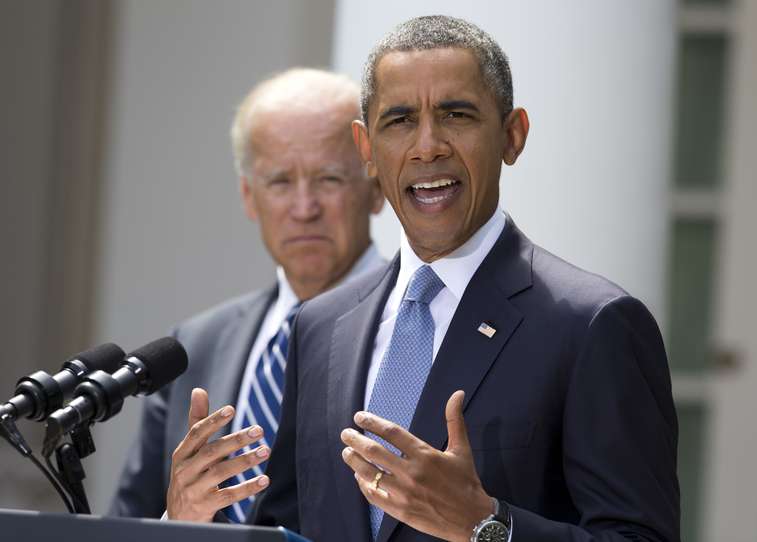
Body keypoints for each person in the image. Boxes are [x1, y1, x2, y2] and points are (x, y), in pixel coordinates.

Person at [169, 16, 680, 542]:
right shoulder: (320, 326)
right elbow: (288, 530)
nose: (427, 146)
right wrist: (185, 522)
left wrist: (486, 527)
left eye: (456, 115)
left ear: (512, 135)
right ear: (366, 149)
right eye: (400, 120)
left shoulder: (593, 323)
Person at [109, 68, 385, 520]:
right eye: (279, 182)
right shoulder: (195, 345)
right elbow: (127, 522)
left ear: (376, 188)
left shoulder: (416, 328)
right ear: (248, 196)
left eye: (329, 179)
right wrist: (177, 521)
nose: (304, 208)